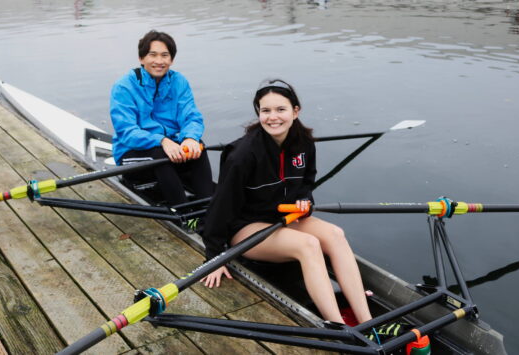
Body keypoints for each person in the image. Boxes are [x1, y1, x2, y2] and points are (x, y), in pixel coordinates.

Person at [200, 79, 373, 325]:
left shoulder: (304, 143)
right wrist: (214, 257)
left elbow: (306, 184)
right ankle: (340, 328)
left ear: (295, 111)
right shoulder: (242, 155)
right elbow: (221, 206)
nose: (273, 117)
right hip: (245, 227)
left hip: (282, 218)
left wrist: (304, 200)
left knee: (335, 234)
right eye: (265, 111)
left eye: (280, 110)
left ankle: (367, 320)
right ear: (258, 113)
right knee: (309, 245)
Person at [110, 30, 213, 205]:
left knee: (198, 147)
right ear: (142, 58)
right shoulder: (124, 86)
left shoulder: (179, 82)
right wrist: (162, 141)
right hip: (132, 153)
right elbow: (127, 132)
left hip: (170, 150)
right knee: (159, 154)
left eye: (165, 55)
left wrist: (190, 138)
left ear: (171, 60)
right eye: (153, 55)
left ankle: (209, 208)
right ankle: (184, 215)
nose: (159, 61)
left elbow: (192, 117)